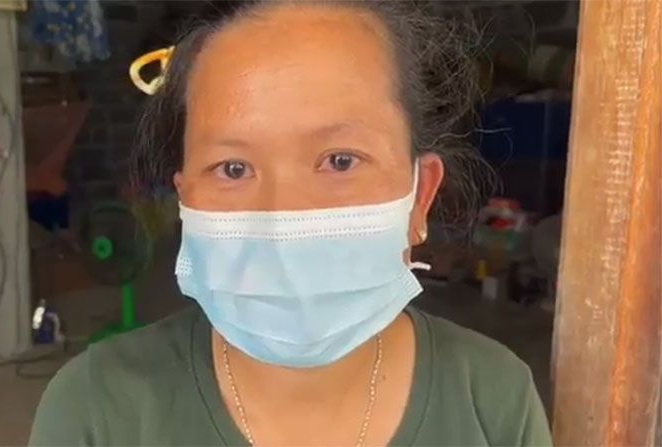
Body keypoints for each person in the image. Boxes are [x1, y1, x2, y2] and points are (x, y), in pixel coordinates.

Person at [30, 1, 552, 445]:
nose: (282, 220)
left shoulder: (492, 399)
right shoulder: (97, 410)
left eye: (340, 161)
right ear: (186, 201)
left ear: (420, 197)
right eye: (234, 168)